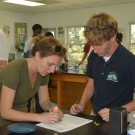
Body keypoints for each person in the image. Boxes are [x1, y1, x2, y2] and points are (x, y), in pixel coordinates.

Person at [70, 12, 135, 122]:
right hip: (95, 115)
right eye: (92, 44)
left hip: (120, 118)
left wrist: (116, 112)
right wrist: (82, 104)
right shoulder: (93, 56)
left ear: (113, 37)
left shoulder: (129, 61)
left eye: (99, 45)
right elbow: (91, 84)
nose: (95, 50)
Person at [0, 37, 64, 127]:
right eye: (50, 64)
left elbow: (44, 101)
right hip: (3, 125)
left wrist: (52, 106)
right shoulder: (15, 70)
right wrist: (39, 117)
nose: (52, 70)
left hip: (21, 123)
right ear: (38, 55)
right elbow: (5, 112)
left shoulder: (43, 73)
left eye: (55, 66)